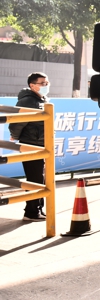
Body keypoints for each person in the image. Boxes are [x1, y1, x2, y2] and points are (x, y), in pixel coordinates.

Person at [9, 72, 50, 221]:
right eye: (42, 83)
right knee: (34, 179)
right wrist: (15, 135)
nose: (46, 86)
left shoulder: (41, 99)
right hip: (31, 144)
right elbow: (17, 121)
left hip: (41, 144)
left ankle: (38, 208)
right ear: (32, 85)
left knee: (40, 178)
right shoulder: (27, 101)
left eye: (47, 83)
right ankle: (31, 212)